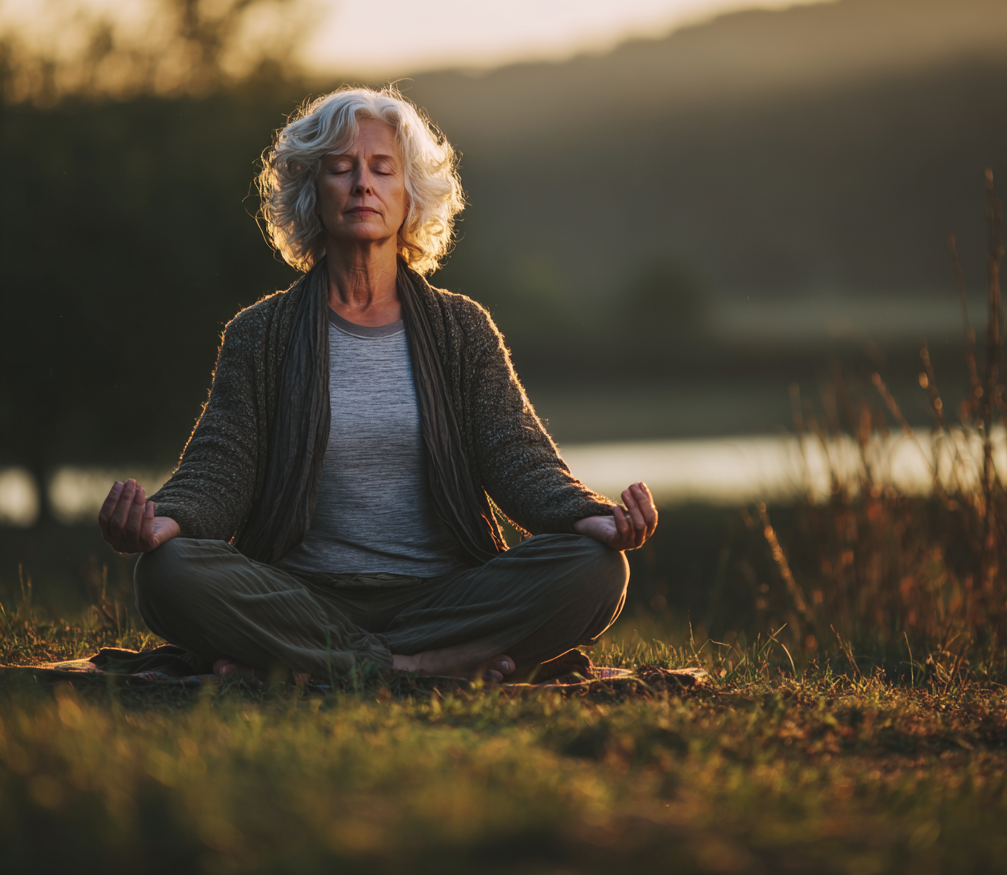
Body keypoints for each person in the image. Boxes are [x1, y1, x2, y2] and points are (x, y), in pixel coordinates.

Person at [97, 87, 658, 683]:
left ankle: (317, 665)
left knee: (596, 568)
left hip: (442, 598)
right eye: (341, 169)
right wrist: (165, 522)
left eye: (381, 169)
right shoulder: (259, 334)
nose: (362, 183)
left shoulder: (461, 328)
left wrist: (588, 516)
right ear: (312, 194)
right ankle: (423, 667)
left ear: (409, 195)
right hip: (302, 597)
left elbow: (517, 455)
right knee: (167, 572)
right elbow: (221, 464)